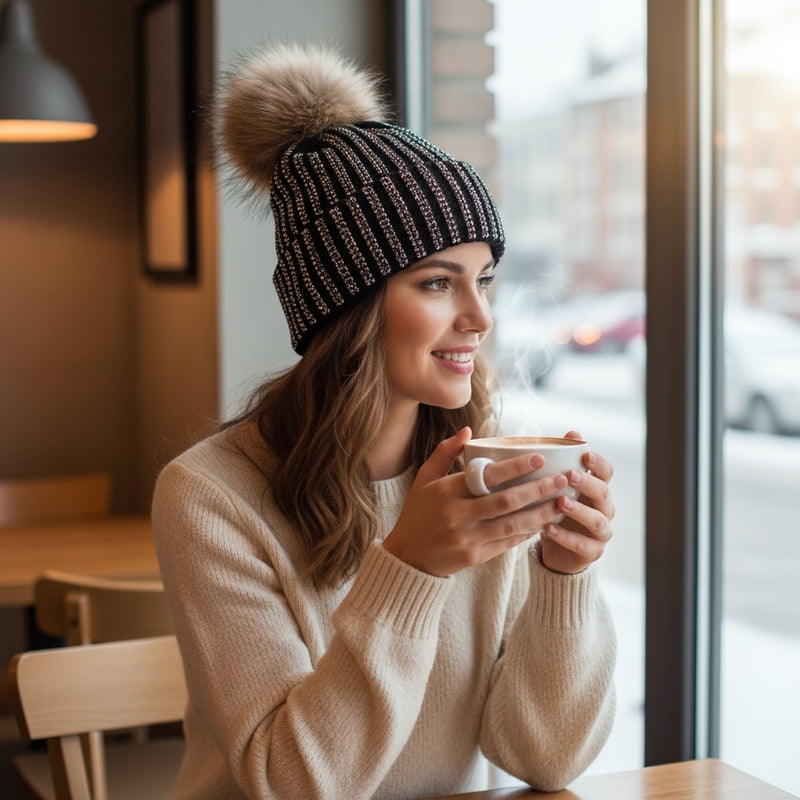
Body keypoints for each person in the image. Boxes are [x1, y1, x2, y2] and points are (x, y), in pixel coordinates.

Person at [152, 42, 616, 800]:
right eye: (438, 282)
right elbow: (293, 781)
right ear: (347, 308)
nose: (480, 317)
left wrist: (565, 577)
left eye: (485, 281)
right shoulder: (210, 497)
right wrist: (412, 568)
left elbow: (544, 758)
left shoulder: (480, 468)